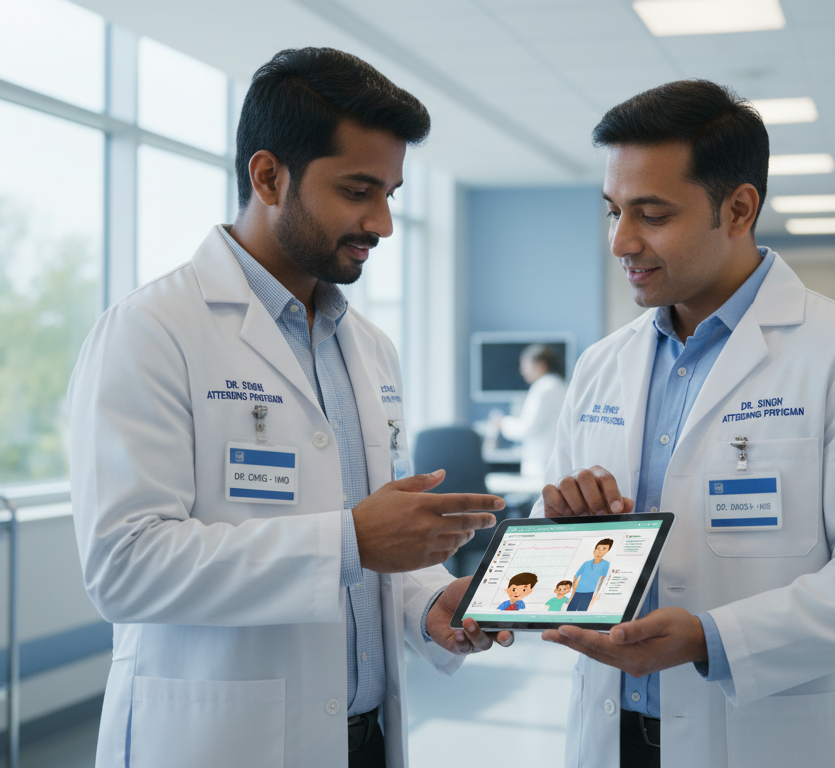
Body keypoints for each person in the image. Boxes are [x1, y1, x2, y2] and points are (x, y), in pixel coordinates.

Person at [68, 48, 512, 768]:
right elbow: (125, 566)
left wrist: (427, 604)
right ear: (268, 176)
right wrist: (349, 542)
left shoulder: (369, 348)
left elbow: (374, 552)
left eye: (391, 194)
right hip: (221, 742)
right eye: (358, 190)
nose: (382, 223)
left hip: (365, 739)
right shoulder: (151, 331)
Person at [533, 80, 835, 768]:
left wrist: (712, 638)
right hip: (613, 733)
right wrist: (566, 530)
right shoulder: (603, 365)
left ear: (739, 208)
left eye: (651, 214)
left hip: (771, 739)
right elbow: (562, 548)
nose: (621, 241)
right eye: (613, 212)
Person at [495, 344, 569, 478]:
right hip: (552, 460)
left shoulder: (544, 388)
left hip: (541, 462)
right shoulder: (559, 385)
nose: (522, 371)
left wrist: (503, 423)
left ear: (540, 365)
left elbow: (528, 428)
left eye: (525, 366)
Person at [566, 538, 613, 611]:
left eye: (604, 549)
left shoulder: (606, 564)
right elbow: (576, 576)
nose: (600, 551)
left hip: (590, 593)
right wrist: (573, 590)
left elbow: (603, 579)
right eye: (598, 548)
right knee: (570, 610)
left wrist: (598, 592)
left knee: (582, 610)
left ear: (608, 550)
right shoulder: (586, 563)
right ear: (594, 550)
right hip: (578, 591)